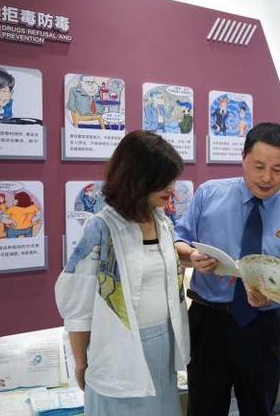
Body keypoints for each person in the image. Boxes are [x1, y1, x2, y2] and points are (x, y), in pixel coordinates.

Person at [174, 122, 280, 416]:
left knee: (258, 406)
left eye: (278, 169)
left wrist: (273, 295)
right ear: (243, 159)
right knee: (203, 407)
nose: (267, 177)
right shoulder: (209, 195)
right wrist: (192, 256)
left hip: (261, 325)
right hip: (208, 321)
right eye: (259, 166)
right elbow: (178, 242)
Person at [55, 131, 190, 416]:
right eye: (163, 180)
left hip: (162, 345)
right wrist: (81, 363)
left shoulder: (162, 222)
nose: (172, 188)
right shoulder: (102, 228)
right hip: (118, 350)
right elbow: (78, 306)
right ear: (138, 179)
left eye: (173, 179)